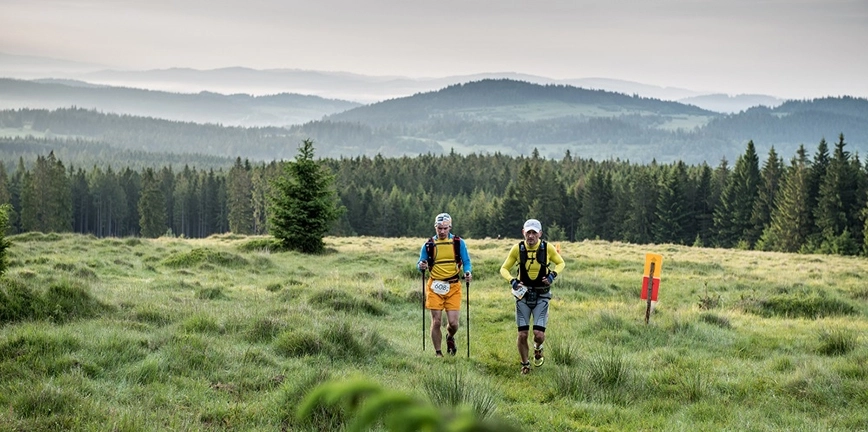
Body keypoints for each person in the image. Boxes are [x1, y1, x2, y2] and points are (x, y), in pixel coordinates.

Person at [499, 218, 565, 375]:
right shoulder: (517, 249)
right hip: (523, 296)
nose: (530, 236)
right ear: (523, 232)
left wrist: (552, 276)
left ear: (540, 234)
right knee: (522, 334)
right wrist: (512, 281)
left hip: (542, 296)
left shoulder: (547, 248)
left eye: (534, 233)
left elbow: (561, 263)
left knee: (539, 334)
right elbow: (504, 269)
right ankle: (525, 364)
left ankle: (538, 347)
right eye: (528, 232)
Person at [417, 213, 472, 357]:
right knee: (436, 321)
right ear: (435, 227)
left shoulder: (458, 243)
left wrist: (467, 272)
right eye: (439, 228)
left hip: (453, 286)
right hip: (435, 286)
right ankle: (438, 353)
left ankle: (450, 337)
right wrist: (421, 265)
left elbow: (466, 261)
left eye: (445, 228)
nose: (442, 231)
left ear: (450, 228)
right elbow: (421, 262)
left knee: (453, 323)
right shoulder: (429, 245)